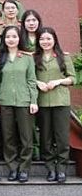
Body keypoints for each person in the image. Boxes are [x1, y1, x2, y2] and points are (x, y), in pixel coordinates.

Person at [0, 25, 38, 183]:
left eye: (14, 36)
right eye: (8, 37)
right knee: (8, 136)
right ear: (4, 39)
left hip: (24, 101)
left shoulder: (27, 58)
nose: (11, 40)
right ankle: (12, 167)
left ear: (20, 38)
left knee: (26, 137)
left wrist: (33, 101)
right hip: (5, 101)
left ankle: (24, 168)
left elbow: (32, 81)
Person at [34, 27, 76, 183]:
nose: (45, 42)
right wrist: (38, 82)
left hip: (61, 101)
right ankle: (50, 168)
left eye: (48, 39)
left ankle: (62, 168)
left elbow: (73, 78)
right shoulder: (34, 58)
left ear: (54, 40)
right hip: (43, 101)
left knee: (62, 137)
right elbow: (29, 77)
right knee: (46, 137)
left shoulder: (63, 57)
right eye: (42, 39)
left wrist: (58, 81)